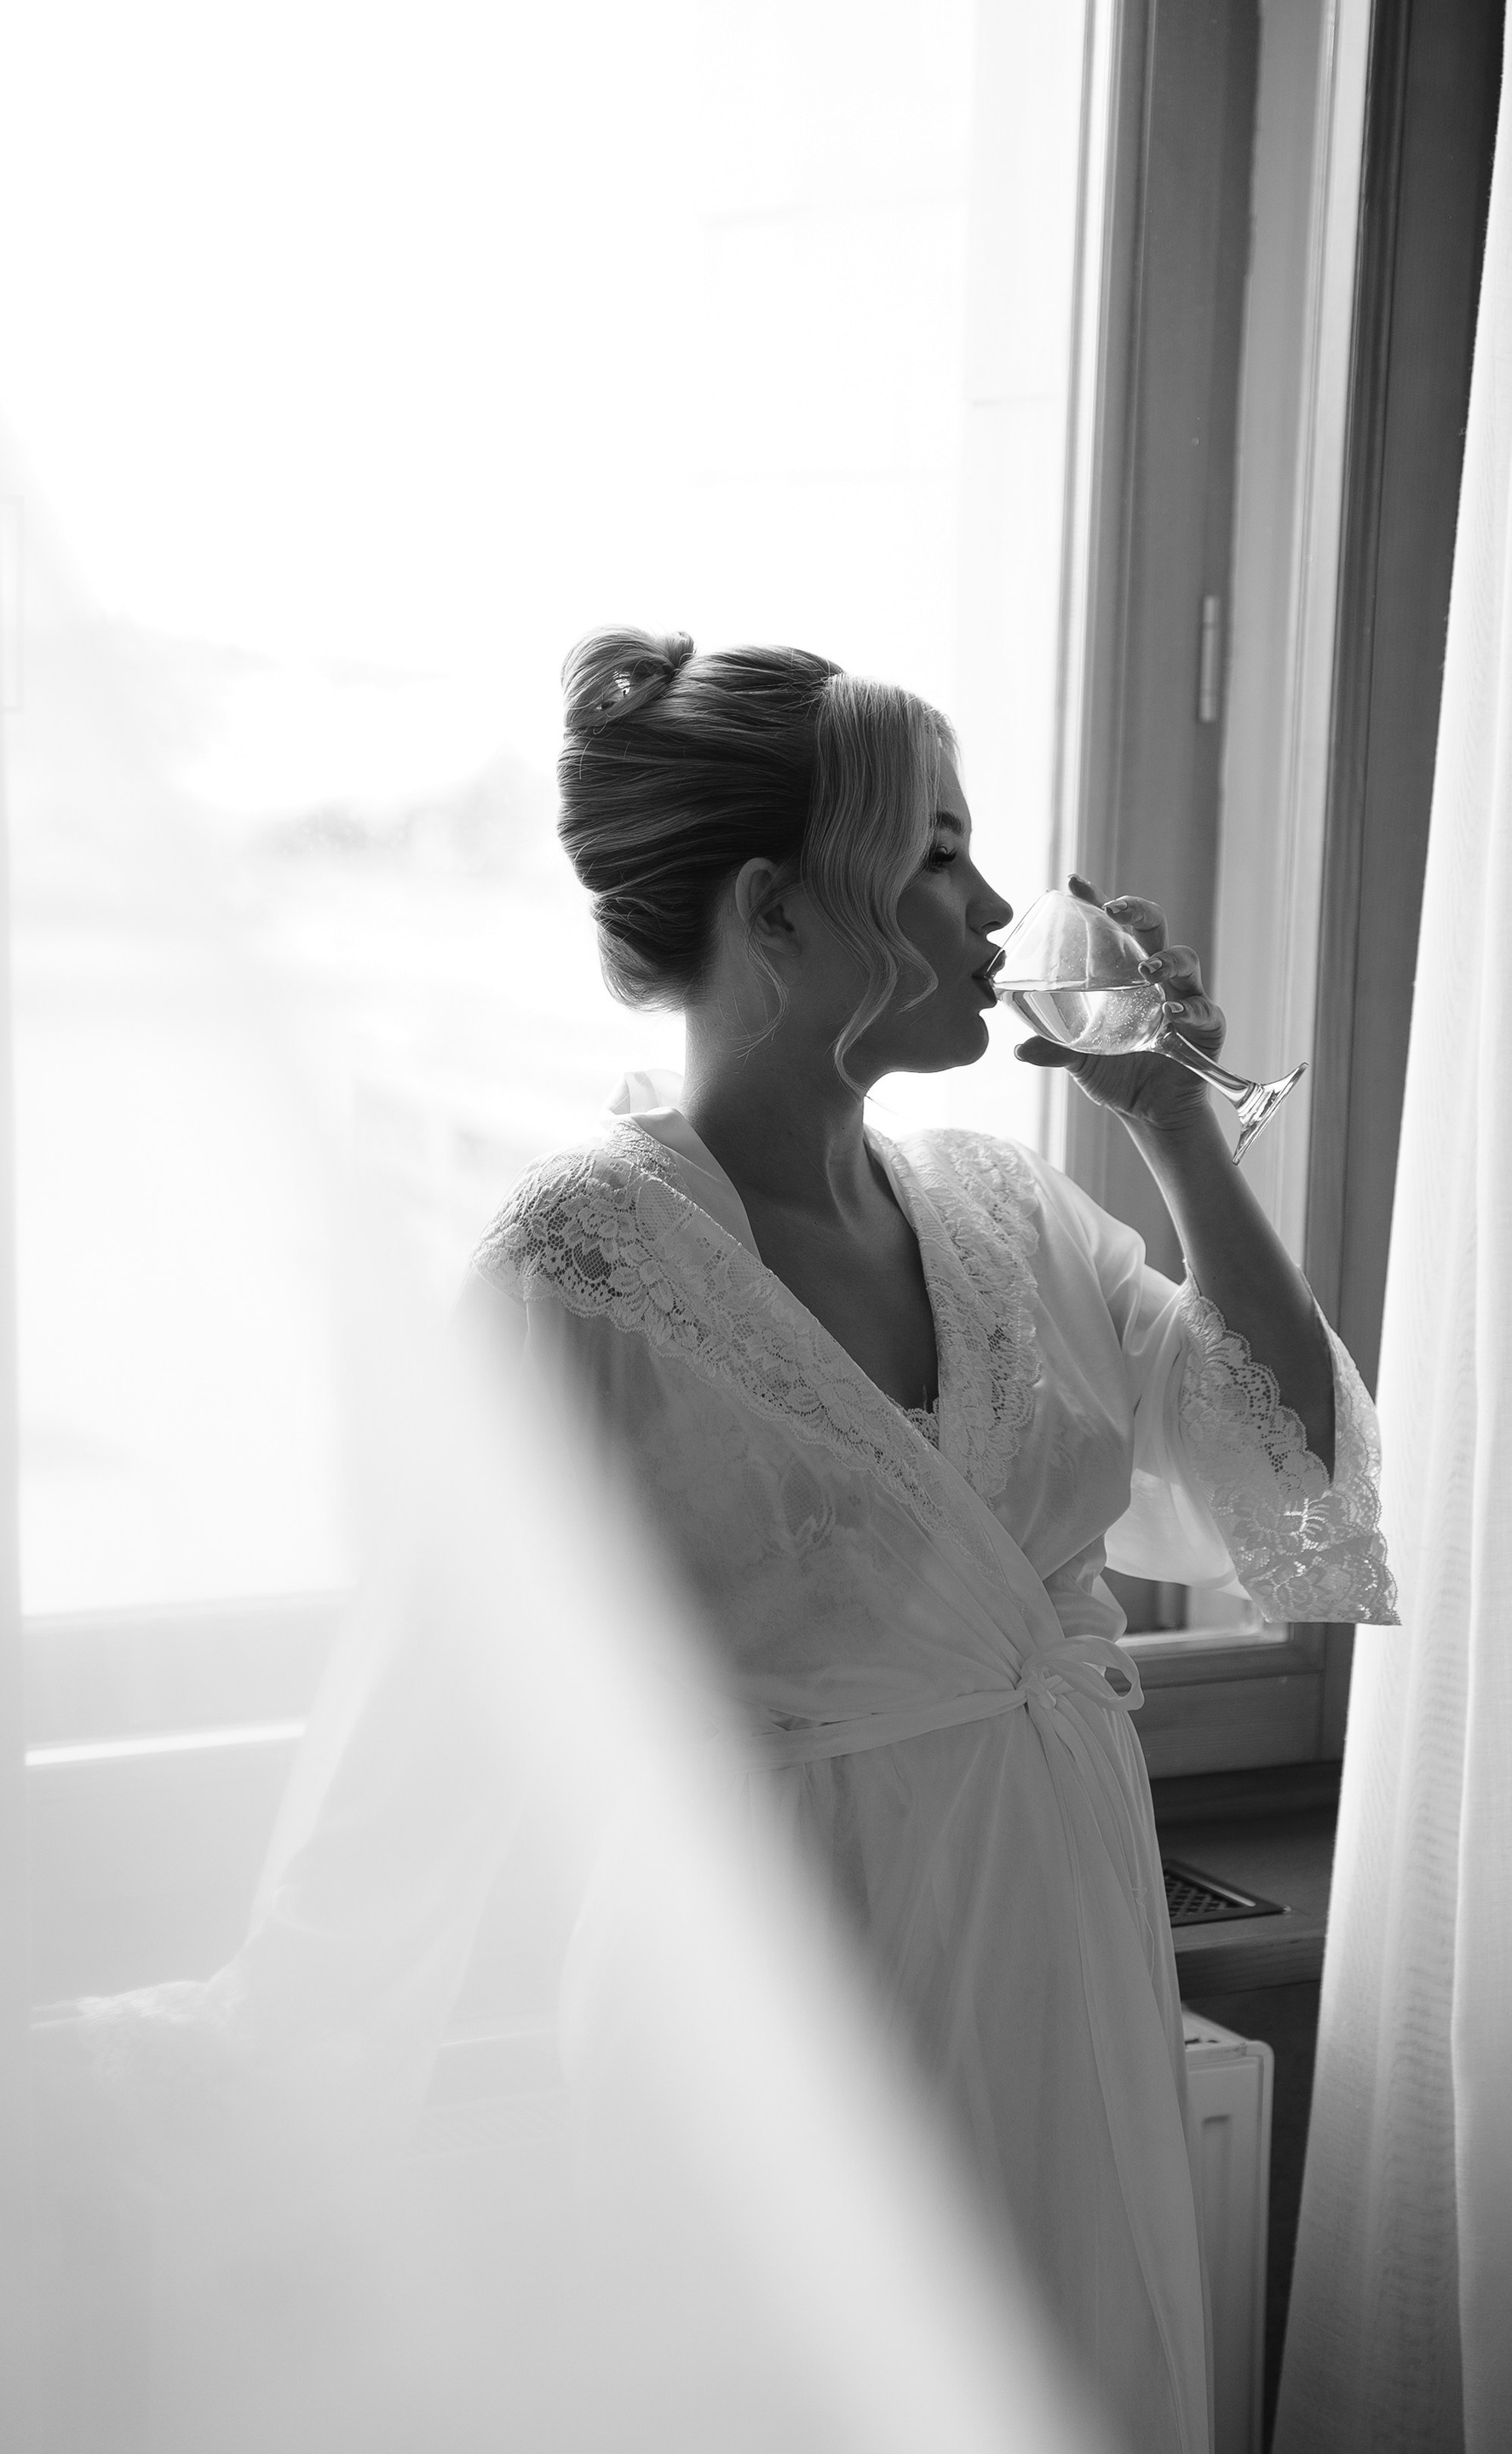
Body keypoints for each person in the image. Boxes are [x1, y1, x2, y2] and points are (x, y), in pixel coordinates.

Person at [466, 628, 1397, 2454]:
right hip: (774, 2003)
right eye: (939, 854)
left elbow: (1294, 1491)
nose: (989, 911)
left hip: (1063, 1928)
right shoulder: (580, 1261)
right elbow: (468, 1712)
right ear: (776, 909)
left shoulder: (1001, 1209)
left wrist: (1176, 1124)